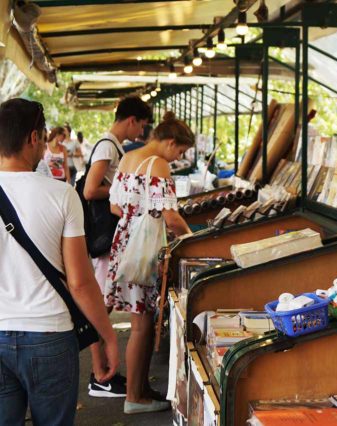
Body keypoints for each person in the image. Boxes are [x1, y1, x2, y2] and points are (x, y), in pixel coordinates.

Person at [0, 98, 119, 425]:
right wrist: (106, 335)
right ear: (33, 138)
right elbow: (80, 283)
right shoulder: (62, 195)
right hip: (49, 334)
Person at [104, 111, 193, 414]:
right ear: (169, 142)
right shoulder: (159, 165)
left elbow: (116, 206)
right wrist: (191, 238)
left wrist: (137, 218)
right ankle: (134, 397)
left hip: (125, 244)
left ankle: (140, 389)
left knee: (138, 320)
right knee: (141, 325)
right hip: (143, 252)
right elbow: (171, 216)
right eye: (179, 151)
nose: (178, 157)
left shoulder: (129, 158)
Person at [84, 95, 152, 398]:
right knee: (100, 306)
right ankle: (99, 374)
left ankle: (103, 371)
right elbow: (89, 189)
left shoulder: (114, 146)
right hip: (105, 237)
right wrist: (122, 190)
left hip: (111, 236)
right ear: (132, 120)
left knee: (103, 305)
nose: (142, 132)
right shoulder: (108, 146)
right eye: (142, 125)